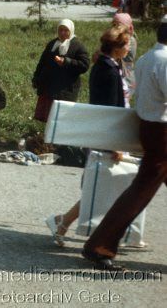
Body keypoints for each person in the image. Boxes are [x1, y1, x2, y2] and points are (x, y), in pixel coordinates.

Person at [82, 18, 167, 270]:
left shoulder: (146, 58)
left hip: (151, 126)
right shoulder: (164, 61)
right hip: (162, 131)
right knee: (140, 191)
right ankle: (99, 246)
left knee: (141, 188)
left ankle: (99, 245)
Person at [46, 24, 131, 248]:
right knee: (101, 189)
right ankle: (63, 223)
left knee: (102, 189)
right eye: (126, 45)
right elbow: (110, 112)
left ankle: (63, 223)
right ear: (117, 48)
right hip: (106, 138)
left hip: (104, 137)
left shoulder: (107, 66)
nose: (129, 49)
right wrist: (115, 144)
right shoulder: (109, 71)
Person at [31, 19, 90, 122]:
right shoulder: (53, 44)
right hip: (49, 87)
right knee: (48, 117)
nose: (62, 33)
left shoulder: (77, 46)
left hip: (65, 89)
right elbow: (42, 63)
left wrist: (66, 61)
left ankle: (59, 137)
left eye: (66, 30)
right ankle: (46, 136)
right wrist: (37, 78)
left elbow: (84, 65)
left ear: (71, 30)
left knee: (61, 118)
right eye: (60, 30)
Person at [111, 13, 137, 104]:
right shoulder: (116, 38)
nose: (115, 27)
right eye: (113, 24)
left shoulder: (130, 40)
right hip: (119, 72)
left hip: (126, 75)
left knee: (122, 101)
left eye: (118, 24)